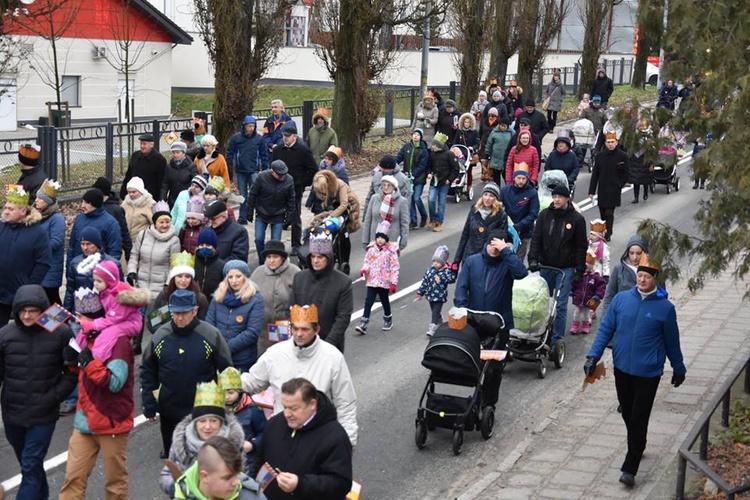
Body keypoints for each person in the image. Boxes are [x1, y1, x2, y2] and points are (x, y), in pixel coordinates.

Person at [584, 256, 686, 488]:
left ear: (654, 280)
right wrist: (593, 356)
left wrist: (678, 368)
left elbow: (672, 342)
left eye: (646, 277)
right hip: (622, 367)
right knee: (628, 413)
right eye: (639, 275)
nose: (641, 279)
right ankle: (639, 442)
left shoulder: (665, 308)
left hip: (648, 373)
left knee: (639, 417)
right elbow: (605, 329)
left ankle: (630, 468)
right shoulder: (621, 300)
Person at [58, 260, 149, 500]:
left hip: (111, 422)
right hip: (85, 419)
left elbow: (114, 382)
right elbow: (83, 376)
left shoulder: (118, 344)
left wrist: (87, 362)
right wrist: (73, 363)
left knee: (115, 484)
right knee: (72, 481)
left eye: (83, 317)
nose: (80, 322)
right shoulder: (88, 337)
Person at [241, 304, 357, 446]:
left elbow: (345, 403)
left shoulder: (333, 357)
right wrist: (229, 381)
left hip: (317, 439)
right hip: (282, 435)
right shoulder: (275, 354)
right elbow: (252, 382)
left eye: (305, 329)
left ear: (317, 330)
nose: (299, 334)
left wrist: (349, 441)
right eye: (295, 328)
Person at [0, 285, 77, 499]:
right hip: (12, 414)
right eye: (23, 311)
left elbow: (73, 372)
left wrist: (54, 396)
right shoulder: (5, 335)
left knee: (30, 464)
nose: (27, 315)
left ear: (42, 310)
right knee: (30, 466)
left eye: (32, 311)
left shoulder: (61, 332)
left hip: (43, 415)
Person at [141, 289, 233, 458]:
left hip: (202, 411)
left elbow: (227, 370)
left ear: (195, 311)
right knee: (174, 460)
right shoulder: (161, 335)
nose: (179, 318)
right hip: (169, 411)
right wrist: (149, 404)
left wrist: (228, 403)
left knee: (204, 460)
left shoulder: (211, 335)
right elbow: (148, 370)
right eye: (175, 313)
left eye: (184, 313)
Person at [454, 231, 527, 408]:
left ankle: (488, 403)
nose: (494, 250)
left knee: (494, 368)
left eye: (498, 247)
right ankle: (476, 395)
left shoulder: (507, 263)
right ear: (486, 244)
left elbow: (522, 273)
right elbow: (461, 288)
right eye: (492, 246)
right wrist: (461, 308)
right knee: (473, 362)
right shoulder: (472, 262)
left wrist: (506, 252)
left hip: (499, 325)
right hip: (475, 323)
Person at [256, 378, 353, 500]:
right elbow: (259, 461)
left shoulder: (335, 436)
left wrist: (300, 485)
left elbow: (340, 484)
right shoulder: (274, 424)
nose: (286, 414)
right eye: (284, 407)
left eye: (294, 408)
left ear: (312, 404)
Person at [527, 185, 588, 354]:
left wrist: (579, 270)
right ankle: (539, 333)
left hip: (565, 268)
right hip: (546, 265)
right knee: (542, 303)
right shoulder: (544, 216)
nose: (557, 200)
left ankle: (556, 339)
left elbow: (581, 247)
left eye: (561, 197)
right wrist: (532, 259)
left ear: (567, 198)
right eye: (555, 197)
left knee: (560, 305)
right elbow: (536, 239)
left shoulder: (576, 219)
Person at [159, 380, 246, 496]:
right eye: (202, 421)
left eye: (213, 421)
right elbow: (165, 475)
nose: (207, 427)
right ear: (195, 423)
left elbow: (244, 475)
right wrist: (180, 488)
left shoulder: (233, 443)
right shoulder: (182, 441)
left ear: (221, 423)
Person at [290, 234, 353, 353]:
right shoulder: (299, 278)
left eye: (320, 257)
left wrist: (327, 345)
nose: (315, 260)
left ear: (328, 258)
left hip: (329, 345)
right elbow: (291, 308)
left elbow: (343, 318)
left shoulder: (343, 282)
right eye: (313, 256)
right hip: (301, 343)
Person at [0, 186, 51, 326]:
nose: (6, 211)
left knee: (24, 331)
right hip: (1, 293)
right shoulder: (1, 226)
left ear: (23, 211)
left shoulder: (38, 233)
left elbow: (43, 263)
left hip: (22, 294)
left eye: (11, 209)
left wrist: (28, 287)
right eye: (6, 208)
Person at [207, 260, 265, 372]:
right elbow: (209, 324)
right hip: (218, 357)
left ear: (245, 277)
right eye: (230, 277)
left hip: (242, 359)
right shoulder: (218, 297)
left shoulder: (255, 300)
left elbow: (252, 331)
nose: (234, 281)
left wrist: (226, 348)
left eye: (238, 276)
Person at [271, 121, 318, 254]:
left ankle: (296, 244)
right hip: (278, 188)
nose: (285, 138)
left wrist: (303, 183)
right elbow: (272, 167)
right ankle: (275, 244)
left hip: (295, 189)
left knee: (295, 216)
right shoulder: (278, 150)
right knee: (277, 216)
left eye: (288, 135)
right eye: (284, 135)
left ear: (295, 137)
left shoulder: (302, 150)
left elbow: (313, 169)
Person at [173, 436, 265, 499]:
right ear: (204, 476)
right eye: (227, 477)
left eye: (236, 474)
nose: (236, 482)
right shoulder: (182, 495)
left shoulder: (253, 497)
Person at [250, 240, 300, 356]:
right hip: (263, 332)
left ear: (282, 258)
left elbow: (301, 300)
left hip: (288, 330)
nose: (271, 260)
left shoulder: (294, 272)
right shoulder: (258, 273)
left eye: (275, 257)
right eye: (268, 257)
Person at [308, 169, 361, 275]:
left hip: (348, 206)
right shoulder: (320, 186)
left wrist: (331, 216)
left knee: (343, 232)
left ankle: (345, 260)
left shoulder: (340, 185)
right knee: (322, 226)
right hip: (334, 206)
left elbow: (344, 204)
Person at [63, 227, 124, 315]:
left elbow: (119, 291)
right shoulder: (75, 263)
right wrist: (66, 312)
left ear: (97, 244)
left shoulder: (112, 264)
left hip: (104, 314)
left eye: (88, 244)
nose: (85, 248)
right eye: (82, 244)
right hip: (80, 313)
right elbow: (70, 291)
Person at [127, 200, 181, 299]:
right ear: (155, 222)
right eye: (161, 222)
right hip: (140, 287)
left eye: (167, 222)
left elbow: (174, 266)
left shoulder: (174, 240)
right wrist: (131, 271)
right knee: (139, 314)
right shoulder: (142, 235)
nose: (165, 225)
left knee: (158, 315)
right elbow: (134, 255)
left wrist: (168, 284)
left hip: (160, 291)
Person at [146, 252, 210, 334]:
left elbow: (203, 326)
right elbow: (153, 323)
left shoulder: (200, 299)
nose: (183, 280)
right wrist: (166, 334)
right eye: (179, 276)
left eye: (187, 276)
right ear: (174, 278)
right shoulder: (165, 296)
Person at [355, 220, 400, 334]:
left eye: (382, 237)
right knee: (368, 301)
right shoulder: (371, 249)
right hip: (372, 280)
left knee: (384, 300)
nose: (380, 239)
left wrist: (393, 282)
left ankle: (388, 319)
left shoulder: (391, 251)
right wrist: (365, 269)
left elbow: (394, 267)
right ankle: (364, 323)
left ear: (386, 239)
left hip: (384, 281)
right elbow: (367, 261)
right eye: (378, 237)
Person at [247, 160, 295, 264]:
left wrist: (289, 217)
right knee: (259, 239)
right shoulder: (262, 177)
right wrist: (249, 212)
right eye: (279, 175)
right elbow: (253, 194)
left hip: (278, 214)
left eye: (283, 174)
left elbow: (291, 199)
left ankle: (274, 263)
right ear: (272, 172)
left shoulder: (289, 180)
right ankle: (262, 261)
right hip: (262, 213)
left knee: (275, 243)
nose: (281, 177)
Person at [219, 367, 266, 469]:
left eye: (231, 392)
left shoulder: (253, 411)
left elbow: (265, 433)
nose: (226, 397)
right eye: (223, 393)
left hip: (247, 459)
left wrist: (252, 444)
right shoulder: (218, 409)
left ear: (239, 391)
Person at [226, 115, 269, 225]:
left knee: (256, 193)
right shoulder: (236, 138)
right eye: (249, 126)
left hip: (254, 170)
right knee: (243, 195)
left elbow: (264, 154)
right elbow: (230, 152)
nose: (251, 128)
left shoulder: (259, 139)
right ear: (244, 126)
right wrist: (230, 166)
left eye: (253, 126)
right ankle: (242, 216)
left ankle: (258, 214)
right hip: (241, 170)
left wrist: (264, 168)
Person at [588, 131, 630, 241]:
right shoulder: (600, 156)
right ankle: (604, 229)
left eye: (612, 142)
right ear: (605, 143)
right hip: (602, 189)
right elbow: (595, 174)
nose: (610, 144)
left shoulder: (622, 156)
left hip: (614, 190)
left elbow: (627, 173)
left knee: (609, 212)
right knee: (603, 213)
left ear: (616, 142)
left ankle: (608, 232)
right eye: (608, 142)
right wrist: (591, 191)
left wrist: (619, 185)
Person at [455, 182, 508, 263]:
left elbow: (502, 240)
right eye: (485, 194)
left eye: (491, 196)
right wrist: (457, 260)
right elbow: (465, 235)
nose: (487, 198)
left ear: (495, 199)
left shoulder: (501, 215)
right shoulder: (474, 210)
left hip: (488, 260)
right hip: (470, 257)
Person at [67, 188, 122, 264]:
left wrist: (106, 270)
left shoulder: (111, 223)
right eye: (82, 202)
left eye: (86, 203)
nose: (82, 206)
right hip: (78, 267)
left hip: (99, 271)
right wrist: (69, 267)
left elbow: (114, 251)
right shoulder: (79, 218)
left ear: (95, 204)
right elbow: (72, 246)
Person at [35, 179, 65, 305]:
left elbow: (56, 242)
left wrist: (35, 247)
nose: (36, 200)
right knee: (40, 300)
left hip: (51, 267)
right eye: (36, 197)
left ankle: (60, 323)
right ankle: (44, 324)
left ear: (47, 202)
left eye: (40, 199)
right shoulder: (36, 215)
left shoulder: (56, 219)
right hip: (38, 265)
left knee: (52, 300)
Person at [416, 245, 458, 337]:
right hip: (430, 295)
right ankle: (439, 320)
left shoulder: (446, 272)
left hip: (439, 296)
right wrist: (420, 293)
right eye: (434, 261)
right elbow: (425, 282)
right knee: (434, 311)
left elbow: (452, 279)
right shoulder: (430, 271)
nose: (435, 264)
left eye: (438, 262)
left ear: (443, 263)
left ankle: (433, 328)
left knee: (435, 311)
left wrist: (444, 276)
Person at [499, 170, 539, 263]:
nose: (521, 181)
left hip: (524, 231)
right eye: (518, 178)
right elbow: (499, 207)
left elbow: (533, 213)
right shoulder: (505, 190)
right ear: (514, 179)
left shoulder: (532, 193)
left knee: (518, 260)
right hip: (507, 229)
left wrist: (520, 225)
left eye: (523, 178)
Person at [602, 235, 647, 315]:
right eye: (631, 253)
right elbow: (610, 295)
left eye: (639, 253)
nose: (635, 257)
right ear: (627, 252)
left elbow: (661, 296)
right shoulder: (618, 268)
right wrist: (606, 318)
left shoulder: (652, 270)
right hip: (622, 315)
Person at [362, 174, 409, 249]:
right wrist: (365, 240)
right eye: (384, 185)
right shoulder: (374, 198)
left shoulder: (402, 201)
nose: (386, 187)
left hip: (392, 242)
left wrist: (402, 243)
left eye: (389, 185)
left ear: (394, 187)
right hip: (375, 240)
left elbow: (404, 223)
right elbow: (368, 220)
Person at [394, 128, 429, 229]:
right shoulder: (406, 147)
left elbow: (422, 166)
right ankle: (413, 220)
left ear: (421, 137)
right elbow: (399, 157)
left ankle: (423, 215)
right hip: (407, 178)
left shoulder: (423, 151)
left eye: (418, 135)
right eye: (414, 134)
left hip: (419, 179)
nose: (415, 136)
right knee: (410, 200)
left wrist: (413, 174)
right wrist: (392, 164)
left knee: (417, 198)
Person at [427, 132, 460, 232]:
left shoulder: (449, 154)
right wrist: (429, 173)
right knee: (431, 200)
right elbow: (429, 166)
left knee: (442, 203)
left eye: (434, 145)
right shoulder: (432, 154)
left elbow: (456, 169)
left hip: (444, 182)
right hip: (435, 181)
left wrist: (449, 179)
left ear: (439, 146)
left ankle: (439, 222)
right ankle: (432, 217)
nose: (432, 147)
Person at [93, 177, 132, 262]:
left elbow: (124, 233)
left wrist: (129, 253)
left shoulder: (116, 210)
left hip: (110, 253)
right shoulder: (93, 207)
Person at [120, 133, 167, 200]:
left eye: (144, 144)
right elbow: (128, 176)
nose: (142, 146)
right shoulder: (135, 156)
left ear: (151, 145)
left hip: (150, 197)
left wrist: (160, 199)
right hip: (133, 195)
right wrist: (123, 192)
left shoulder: (159, 160)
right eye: (141, 143)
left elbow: (161, 182)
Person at [570, 253, 607, 334]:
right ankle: (575, 325)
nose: (585, 269)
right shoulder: (579, 275)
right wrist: (571, 290)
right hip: (578, 298)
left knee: (586, 314)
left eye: (587, 266)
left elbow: (601, 286)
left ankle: (585, 325)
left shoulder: (595, 277)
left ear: (591, 266)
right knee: (576, 313)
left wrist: (598, 295)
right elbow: (574, 283)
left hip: (588, 300)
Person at [120, 176, 155, 262]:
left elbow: (155, 224)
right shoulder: (125, 204)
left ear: (141, 191)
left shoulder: (150, 204)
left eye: (134, 192)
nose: (131, 194)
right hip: (126, 244)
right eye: (129, 192)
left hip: (143, 244)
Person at [162, 141, 199, 208]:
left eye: (178, 152)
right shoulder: (169, 166)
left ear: (184, 153)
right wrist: (162, 200)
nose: (175, 155)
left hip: (186, 200)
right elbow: (165, 184)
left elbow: (195, 184)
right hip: (172, 200)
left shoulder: (191, 166)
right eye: (173, 152)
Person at [195, 229, 226, 299]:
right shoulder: (193, 262)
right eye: (201, 245)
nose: (204, 247)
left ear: (214, 247)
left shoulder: (221, 265)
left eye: (208, 245)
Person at [630, 119, 655, 204]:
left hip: (646, 160)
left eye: (644, 126)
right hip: (636, 159)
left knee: (645, 179)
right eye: (641, 126)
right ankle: (636, 197)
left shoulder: (650, 135)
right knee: (635, 180)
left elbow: (653, 151)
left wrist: (652, 163)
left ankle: (645, 192)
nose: (642, 127)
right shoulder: (635, 135)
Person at [484, 118, 512, 185]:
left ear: (507, 126)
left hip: (507, 159)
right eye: (501, 125)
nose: (503, 127)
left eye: (504, 126)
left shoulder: (511, 133)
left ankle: (508, 192)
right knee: (496, 180)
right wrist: (487, 153)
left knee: (507, 179)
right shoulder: (494, 132)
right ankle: (497, 192)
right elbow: (489, 143)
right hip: (495, 158)